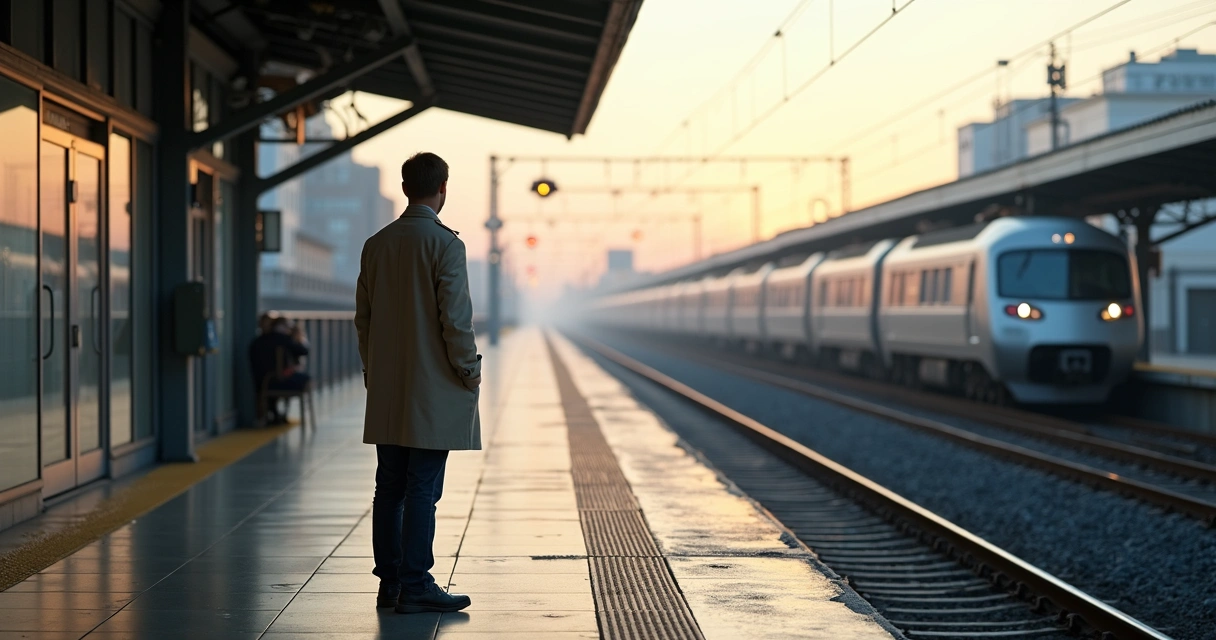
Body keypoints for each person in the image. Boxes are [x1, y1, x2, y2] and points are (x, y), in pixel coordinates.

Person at [355, 152, 481, 615]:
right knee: (422, 486)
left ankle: (390, 583)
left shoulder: (377, 244)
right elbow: (456, 320)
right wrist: (469, 370)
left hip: (387, 388)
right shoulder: (446, 245)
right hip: (433, 390)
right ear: (442, 189)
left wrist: (374, 370)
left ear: (407, 187)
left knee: (388, 485)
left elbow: (362, 319)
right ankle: (417, 583)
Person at [248, 317, 310, 425]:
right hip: (280, 380)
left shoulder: (256, 342)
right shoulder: (283, 339)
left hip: (262, 383)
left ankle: (274, 414)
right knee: (305, 379)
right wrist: (298, 337)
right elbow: (303, 351)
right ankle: (281, 414)